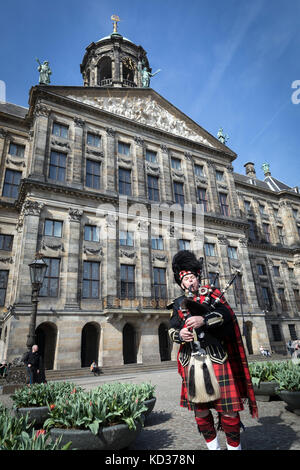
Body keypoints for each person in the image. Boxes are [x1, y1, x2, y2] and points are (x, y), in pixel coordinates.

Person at [168, 250, 258, 450]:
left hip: (216, 357)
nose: (190, 282)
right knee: (200, 411)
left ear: (197, 277)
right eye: (186, 279)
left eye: (192, 277)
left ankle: (234, 448)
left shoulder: (212, 294)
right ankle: (213, 447)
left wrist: (204, 320)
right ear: (181, 283)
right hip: (192, 361)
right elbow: (172, 329)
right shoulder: (176, 304)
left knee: (228, 410)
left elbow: (226, 315)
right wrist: (180, 334)